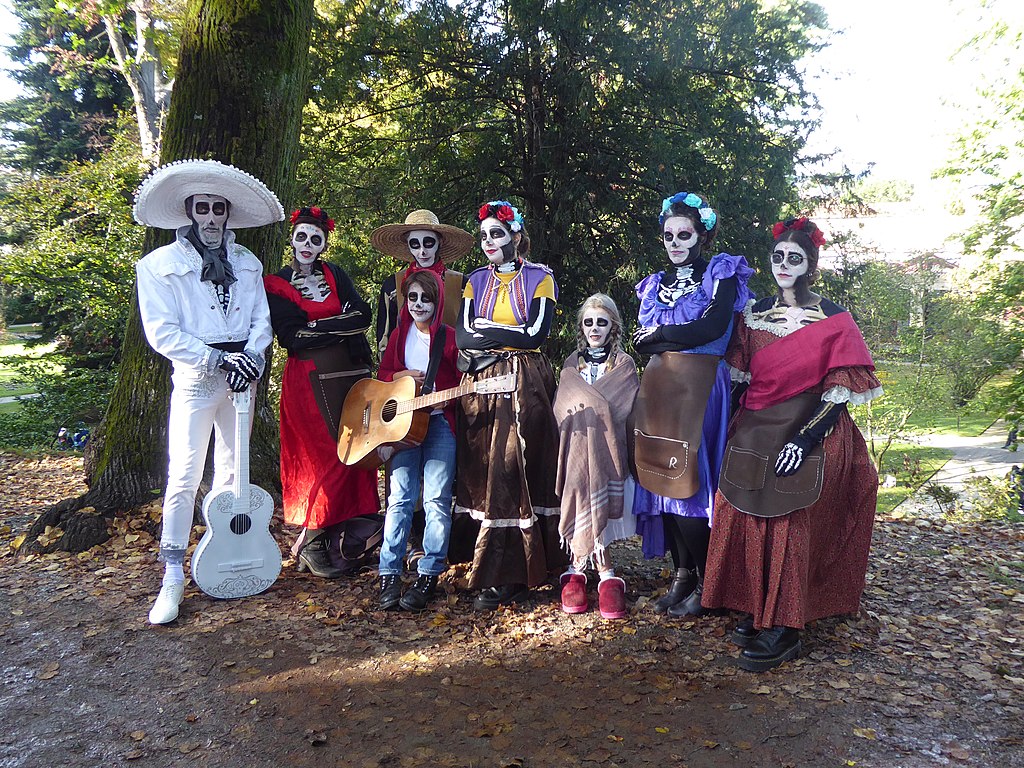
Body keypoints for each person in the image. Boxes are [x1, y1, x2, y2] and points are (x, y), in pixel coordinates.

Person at [702, 217, 882, 672]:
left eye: (794, 259)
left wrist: (805, 439)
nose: (784, 265)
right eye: (778, 257)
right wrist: (730, 432)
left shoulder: (835, 319)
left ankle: (786, 625)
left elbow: (839, 390)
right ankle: (753, 605)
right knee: (735, 503)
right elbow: (742, 383)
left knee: (790, 514)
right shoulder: (755, 313)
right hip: (758, 426)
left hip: (812, 428)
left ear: (810, 265)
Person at [133, 158, 282, 624]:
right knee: (184, 473)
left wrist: (253, 357)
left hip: (244, 376)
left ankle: (224, 555)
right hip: (199, 376)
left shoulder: (247, 262)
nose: (212, 217)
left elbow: (261, 320)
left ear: (227, 213)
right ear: (190, 212)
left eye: (219, 208)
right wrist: (218, 359)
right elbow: (161, 332)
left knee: (234, 472)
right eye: (203, 208)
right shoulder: (158, 266)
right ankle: (172, 575)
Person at [631, 191, 752, 618]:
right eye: (669, 235)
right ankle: (682, 575)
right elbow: (642, 340)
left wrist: (661, 337)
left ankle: (709, 581)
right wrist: (664, 339)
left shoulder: (721, 274)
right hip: (660, 387)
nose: (676, 242)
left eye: (685, 234)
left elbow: (713, 328)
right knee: (662, 479)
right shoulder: (654, 283)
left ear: (702, 234)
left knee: (691, 483)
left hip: (702, 384)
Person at [452, 199, 567, 610]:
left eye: (496, 235)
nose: (489, 242)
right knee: (483, 465)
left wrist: (490, 330)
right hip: (480, 382)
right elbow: (464, 339)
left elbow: (535, 335)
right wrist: (501, 333)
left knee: (515, 465)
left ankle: (517, 571)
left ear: (515, 236)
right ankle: (483, 562)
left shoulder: (541, 278)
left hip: (524, 383)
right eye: (484, 236)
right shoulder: (473, 280)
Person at [263, 206, 382, 578]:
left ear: (324, 244)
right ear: (292, 240)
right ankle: (312, 542)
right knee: (322, 457)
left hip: (348, 373)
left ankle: (344, 539)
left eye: (316, 239)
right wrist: (338, 323)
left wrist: (318, 323)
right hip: (308, 380)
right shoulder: (277, 284)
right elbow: (291, 336)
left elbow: (363, 315)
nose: (308, 245)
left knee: (355, 449)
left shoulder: (336, 274)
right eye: (302, 237)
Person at [370, 210, 473, 567]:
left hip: (445, 389)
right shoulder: (393, 284)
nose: (422, 249)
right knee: (401, 488)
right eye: (415, 243)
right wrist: (397, 381)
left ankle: (438, 555)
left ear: (439, 244)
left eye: (428, 242)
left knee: (440, 483)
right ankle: (399, 555)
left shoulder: (461, 283)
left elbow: (465, 339)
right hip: (404, 396)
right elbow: (384, 340)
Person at [376, 270, 459, 612]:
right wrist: (401, 376)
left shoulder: (449, 338)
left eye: (426, 298)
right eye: (412, 298)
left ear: (437, 302)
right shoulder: (399, 334)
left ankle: (429, 573)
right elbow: (382, 377)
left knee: (437, 499)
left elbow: (462, 382)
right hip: (403, 429)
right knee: (400, 498)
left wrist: (446, 400)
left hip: (439, 426)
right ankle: (389, 572)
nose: (419, 305)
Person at [554, 294, 639, 619]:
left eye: (601, 322)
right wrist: (591, 411)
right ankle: (579, 565)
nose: (594, 328)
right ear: (581, 326)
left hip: (608, 448)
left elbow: (620, 408)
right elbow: (562, 407)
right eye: (588, 322)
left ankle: (603, 571)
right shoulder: (572, 364)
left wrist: (593, 410)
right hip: (577, 448)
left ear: (612, 327)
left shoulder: (624, 365)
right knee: (583, 484)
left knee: (598, 484)